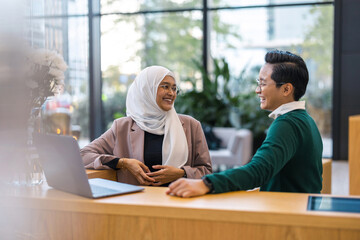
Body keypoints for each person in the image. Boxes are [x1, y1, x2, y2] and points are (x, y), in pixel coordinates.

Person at [167, 50, 323, 197]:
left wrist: (206, 184)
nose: (257, 90)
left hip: (288, 217)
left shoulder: (287, 123)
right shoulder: (306, 120)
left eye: (263, 83)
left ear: (286, 89)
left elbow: (259, 171)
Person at [81, 65, 212, 186]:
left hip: (179, 202)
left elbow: (207, 171)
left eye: (174, 88)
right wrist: (123, 163)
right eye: (165, 87)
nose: (171, 93)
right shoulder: (122, 127)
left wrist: (181, 173)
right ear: (147, 89)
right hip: (138, 204)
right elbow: (83, 155)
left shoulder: (191, 126)